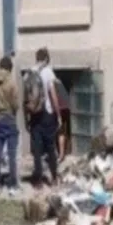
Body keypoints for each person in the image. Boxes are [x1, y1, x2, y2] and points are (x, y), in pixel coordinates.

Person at [0, 56, 20, 196]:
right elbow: (16, 104)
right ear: (10, 68)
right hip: (10, 118)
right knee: (12, 154)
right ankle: (12, 186)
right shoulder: (12, 81)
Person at [29, 48, 62, 188]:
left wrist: (27, 117)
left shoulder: (30, 72)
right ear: (47, 59)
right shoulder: (48, 71)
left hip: (34, 114)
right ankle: (54, 178)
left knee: (37, 149)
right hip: (46, 113)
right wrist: (58, 114)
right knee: (50, 146)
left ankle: (38, 181)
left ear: (36, 58)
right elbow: (53, 94)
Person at [55, 77, 72, 163]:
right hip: (66, 109)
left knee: (59, 132)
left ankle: (60, 154)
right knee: (63, 132)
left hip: (59, 109)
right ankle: (64, 152)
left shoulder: (52, 84)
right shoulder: (60, 83)